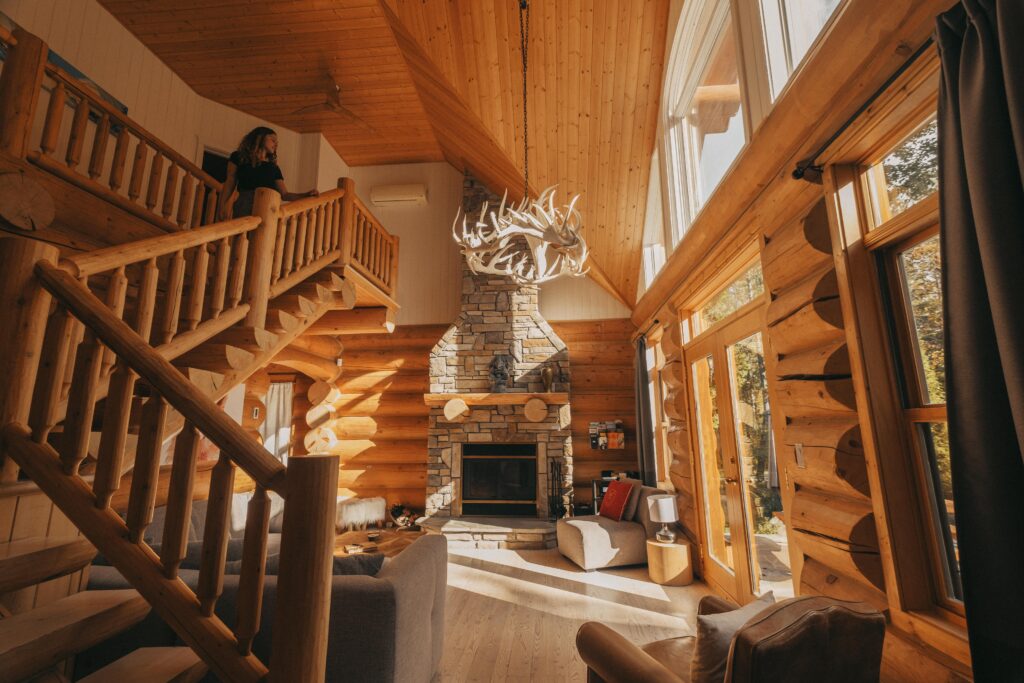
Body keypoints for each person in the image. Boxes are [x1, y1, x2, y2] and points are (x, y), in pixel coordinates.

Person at [218, 126, 318, 220]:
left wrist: (306, 195)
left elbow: (285, 194)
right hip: (244, 205)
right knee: (241, 236)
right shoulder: (238, 157)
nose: (276, 144)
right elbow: (230, 182)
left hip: (267, 208)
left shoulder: (273, 168)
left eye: (277, 142)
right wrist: (223, 205)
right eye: (273, 140)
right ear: (260, 138)